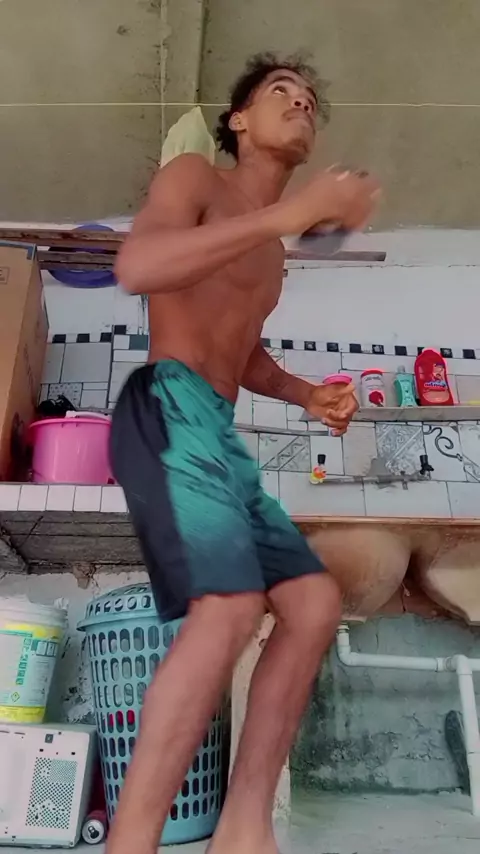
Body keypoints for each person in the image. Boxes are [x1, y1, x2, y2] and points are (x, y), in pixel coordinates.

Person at [108, 53, 380, 854]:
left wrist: (306, 394)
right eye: (279, 93)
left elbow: (243, 348)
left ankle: (242, 828)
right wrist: (283, 217)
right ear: (239, 121)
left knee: (312, 604)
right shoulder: (196, 178)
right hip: (168, 403)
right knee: (228, 607)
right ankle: (131, 843)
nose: (300, 103)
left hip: (217, 431)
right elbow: (138, 267)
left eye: (310, 99)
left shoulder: (271, 253)